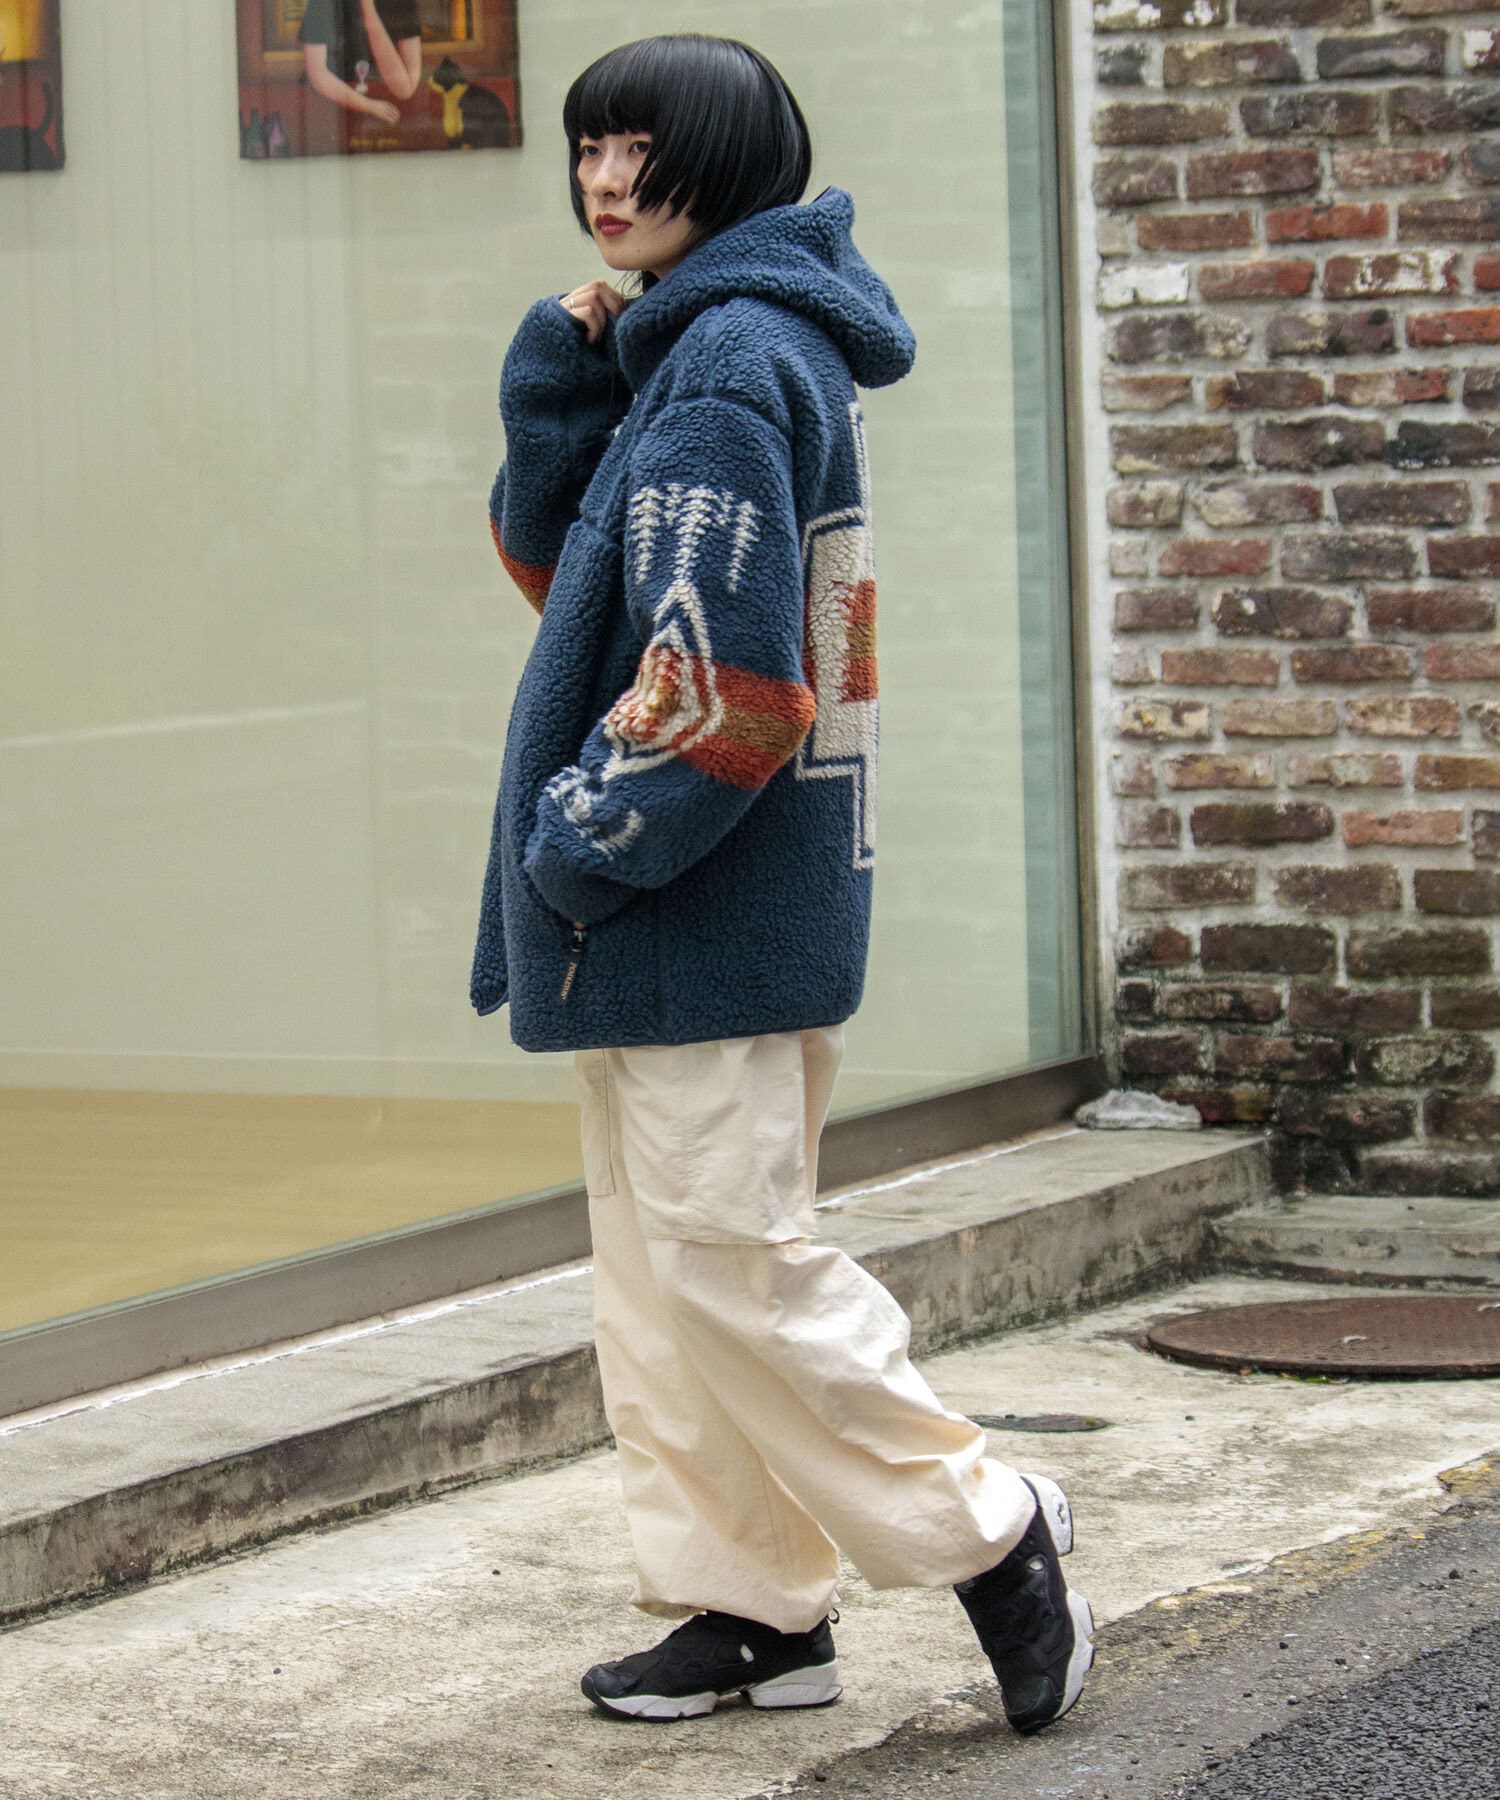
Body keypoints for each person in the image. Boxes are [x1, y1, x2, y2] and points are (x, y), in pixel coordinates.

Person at [470, 33, 1094, 1734]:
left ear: (728, 167)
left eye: (643, 152)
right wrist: (559, 382)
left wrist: (579, 846)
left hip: (691, 905)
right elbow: (586, 588)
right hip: (711, 905)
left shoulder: (728, 366)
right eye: (591, 148)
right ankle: (751, 1609)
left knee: (734, 1270)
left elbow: (725, 689)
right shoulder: (721, 347)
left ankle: (995, 1529)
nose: (606, 182)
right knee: (671, 1285)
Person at [299, 0, 421, 127]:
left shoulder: (403, 3)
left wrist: (369, 10)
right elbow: (318, 74)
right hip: (333, 107)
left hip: (388, 114)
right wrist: (368, 106)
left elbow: (404, 89)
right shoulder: (323, 3)